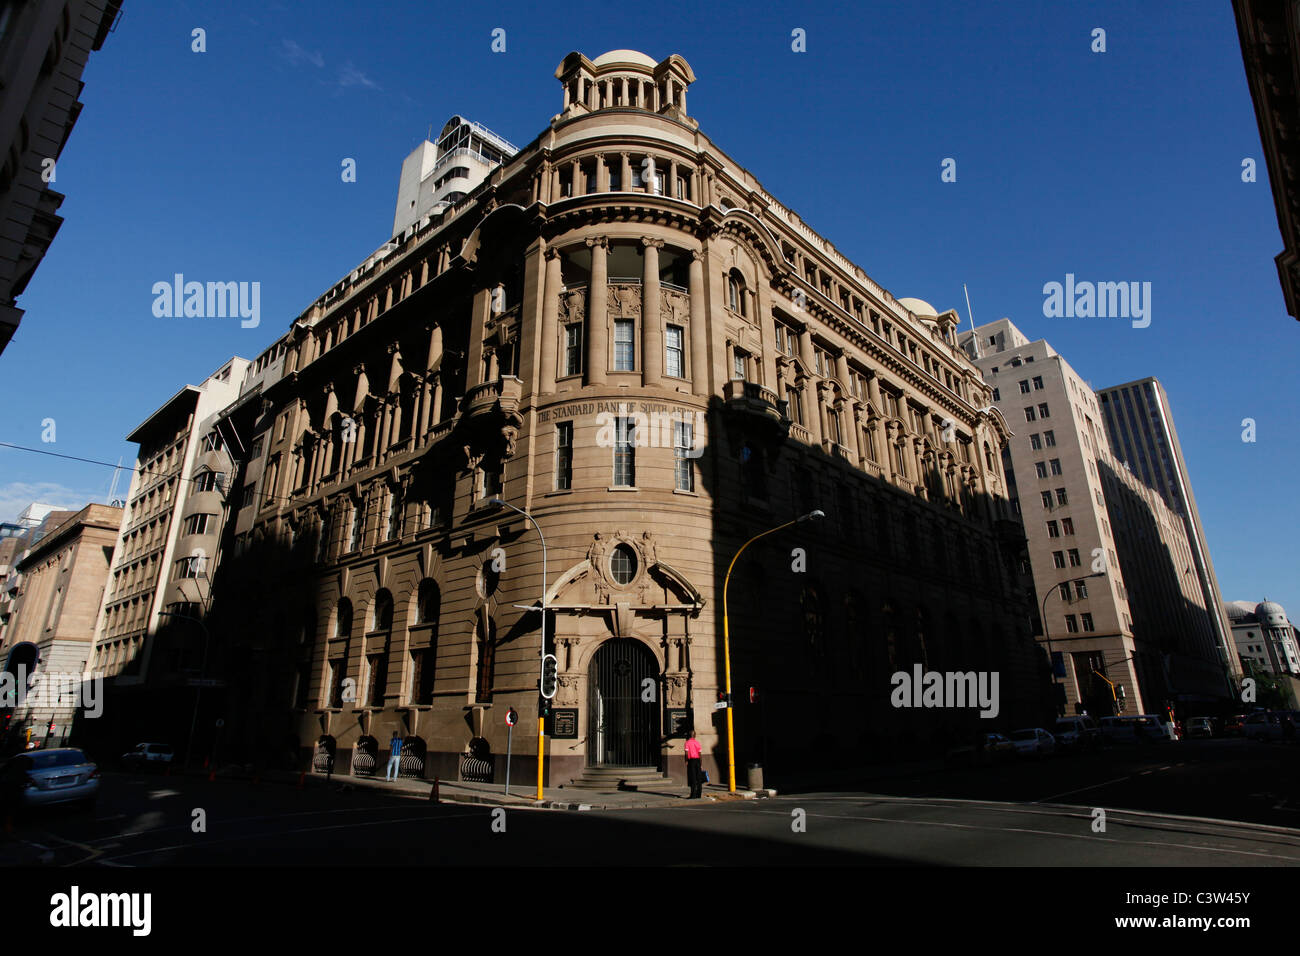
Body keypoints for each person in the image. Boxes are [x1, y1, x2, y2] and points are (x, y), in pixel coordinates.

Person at [684, 730, 703, 799]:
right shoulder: (697, 743)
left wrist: (686, 760)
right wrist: (701, 764)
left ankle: (693, 795)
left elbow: (686, 753)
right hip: (698, 760)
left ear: (689, 735)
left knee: (693, 778)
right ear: (695, 735)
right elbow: (700, 754)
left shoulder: (687, 743)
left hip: (691, 761)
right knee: (699, 778)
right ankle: (699, 794)